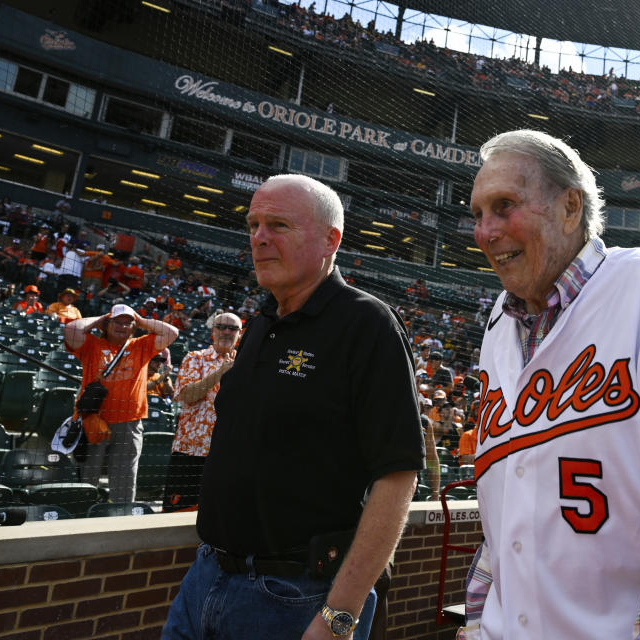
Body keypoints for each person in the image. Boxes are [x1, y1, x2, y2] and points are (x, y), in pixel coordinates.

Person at [466, 130, 640, 638]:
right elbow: (504, 518)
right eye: (478, 213)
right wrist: (476, 619)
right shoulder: (498, 325)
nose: (485, 231)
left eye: (504, 206)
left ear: (570, 206)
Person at [164, 174, 424, 640]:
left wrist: (340, 616)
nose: (259, 237)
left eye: (278, 225)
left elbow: (398, 475)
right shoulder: (260, 322)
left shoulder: (367, 324)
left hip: (297, 596)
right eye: (253, 224)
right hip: (204, 579)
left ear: (331, 239)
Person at [64, 304, 178, 502]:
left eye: (128, 323)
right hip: (93, 421)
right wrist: (101, 318)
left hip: (129, 422)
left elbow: (172, 332)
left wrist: (140, 320)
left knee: (125, 480)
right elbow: (71, 329)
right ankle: (82, 516)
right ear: (107, 324)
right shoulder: (92, 345)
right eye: (118, 321)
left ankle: (121, 518)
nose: (123, 326)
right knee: (87, 478)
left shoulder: (141, 345)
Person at [162, 313, 241, 512]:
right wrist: (220, 372)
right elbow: (187, 396)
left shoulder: (246, 363)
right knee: (178, 514)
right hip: (191, 451)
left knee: (218, 514)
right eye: (221, 326)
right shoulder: (195, 358)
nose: (226, 331)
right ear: (213, 330)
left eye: (232, 329)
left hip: (227, 453)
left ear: (239, 334)